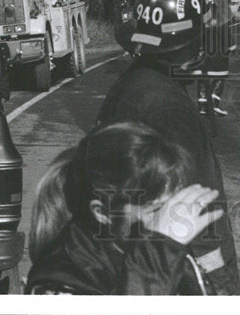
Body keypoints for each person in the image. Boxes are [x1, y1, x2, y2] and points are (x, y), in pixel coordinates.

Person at [96, 0, 240, 295]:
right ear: (192, 43)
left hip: (131, 256)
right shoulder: (168, 107)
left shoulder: (129, 87)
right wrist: (219, 285)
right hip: (175, 263)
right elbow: (197, 201)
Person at [26, 121, 224, 295]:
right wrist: (156, 259)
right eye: (155, 209)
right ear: (103, 213)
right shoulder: (59, 281)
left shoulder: (159, 243)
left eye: (174, 203)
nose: (169, 218)